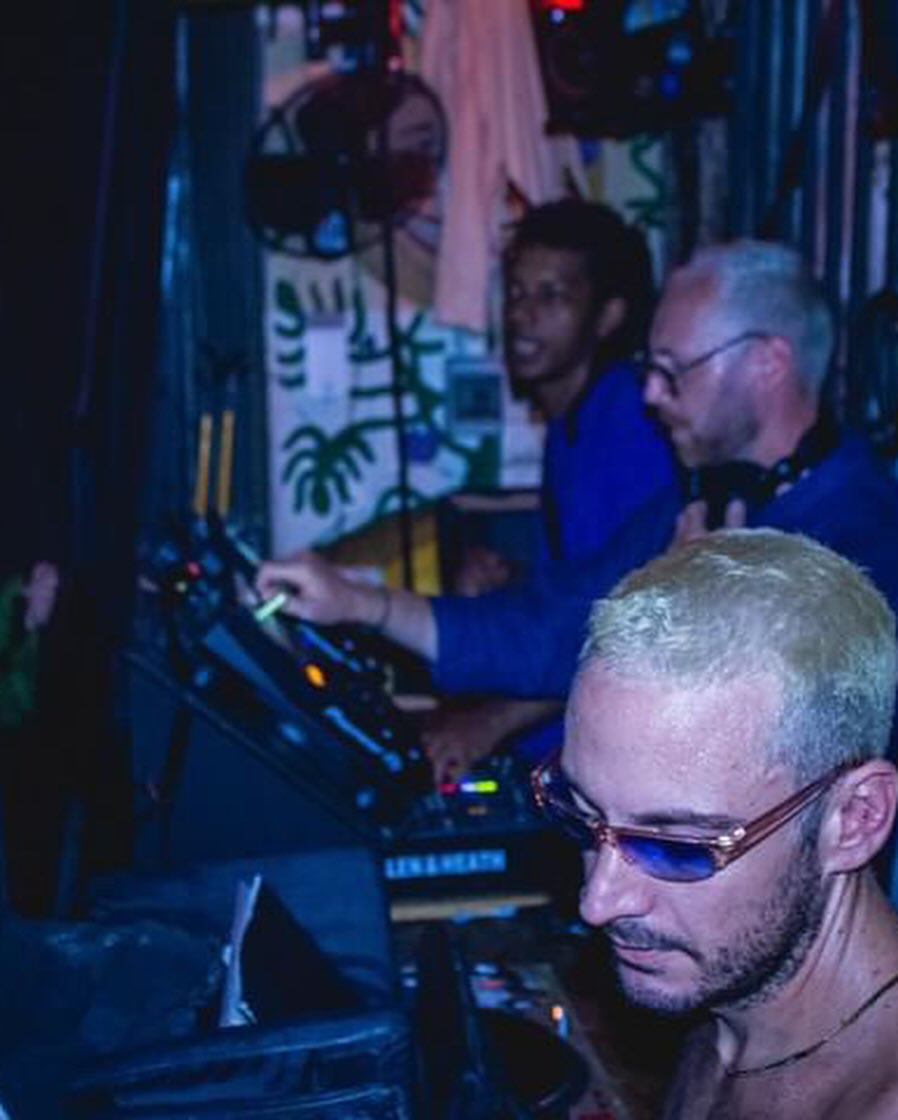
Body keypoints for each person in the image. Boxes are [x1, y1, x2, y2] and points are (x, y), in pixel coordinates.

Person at [257, 240, 898, 729]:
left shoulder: (863, 539)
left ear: (767, 364)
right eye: (649, 369)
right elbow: (554, 624)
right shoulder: (705, 500)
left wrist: (692, 603)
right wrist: (358, 602)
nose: (651, 394)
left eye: (673, 370)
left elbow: (780, 749)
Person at [531, 529, 898, 1117]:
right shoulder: (731, 1000)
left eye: (676, 846)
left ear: (856, 818)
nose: (597, 902)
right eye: (582, 813)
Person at [426, 199, 675, 779]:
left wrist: (489, 723)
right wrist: (513, 582)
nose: (521, 314)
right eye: (516, 292)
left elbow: (634, 631)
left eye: (551, 296)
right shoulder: (571, 425)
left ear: (607, 316)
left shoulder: (628, 423)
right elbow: (590, 586)